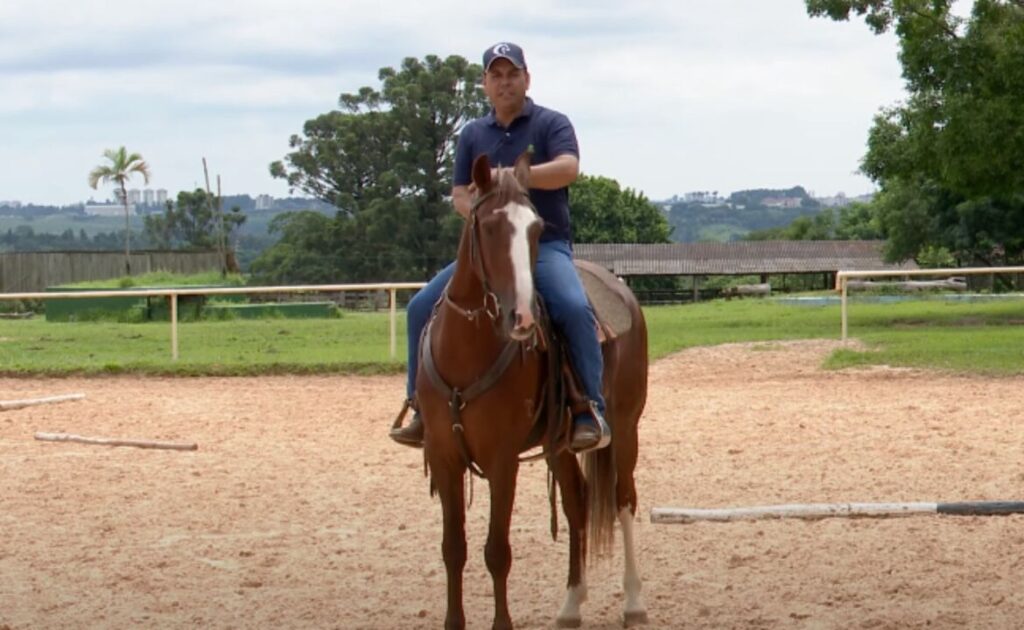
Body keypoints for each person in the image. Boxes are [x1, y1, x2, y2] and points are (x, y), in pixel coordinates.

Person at [390, 42, 609, 453]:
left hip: (542, 246)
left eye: (513, 74)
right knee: (420, 306)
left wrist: (507, 177)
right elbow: (459, 194)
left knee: (573, 307)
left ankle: (588, 409)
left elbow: (569, 168)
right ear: (484, 84)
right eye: (497, 75)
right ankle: (419, 406)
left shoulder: (550, 123)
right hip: (487, 252)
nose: (505, 82)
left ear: (527, 79)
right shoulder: (472, 134)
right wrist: (481, 215)